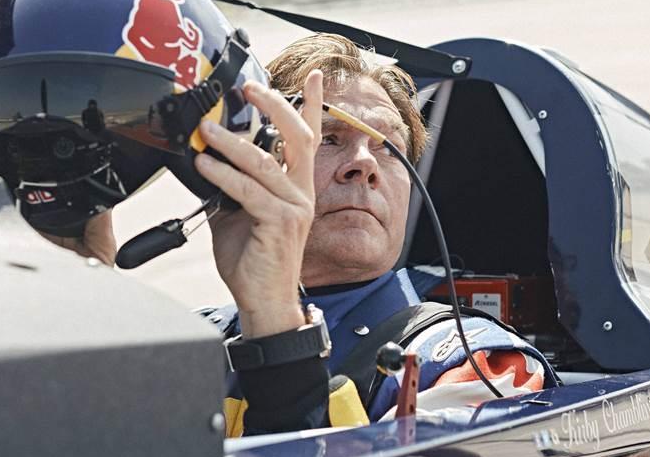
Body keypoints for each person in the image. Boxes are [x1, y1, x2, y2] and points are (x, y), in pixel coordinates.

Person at [64, 33, 555, 435]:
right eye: (329, 138)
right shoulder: (189, 350)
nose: (363, 164)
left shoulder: (479, 368)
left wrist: (277, 321)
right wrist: (77, 291)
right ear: (254, 163)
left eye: (389, 149)